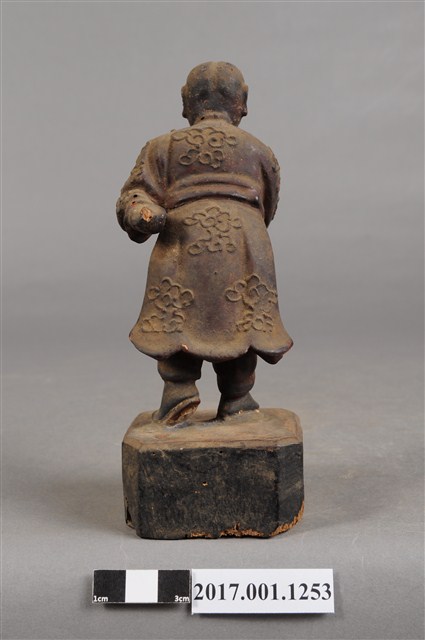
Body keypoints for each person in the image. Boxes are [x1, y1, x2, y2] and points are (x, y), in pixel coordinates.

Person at [117, 61, 293, 423]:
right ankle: (238, 396)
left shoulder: (162, 146)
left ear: (186, 101)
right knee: (243, 320)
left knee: (176, 317)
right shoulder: (259, 149)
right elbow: (269, 201)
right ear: (243, 102)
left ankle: (179, 388)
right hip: (246, 245)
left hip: (182, 241)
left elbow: (136, 193)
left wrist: (142, 212)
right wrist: (248, 227)